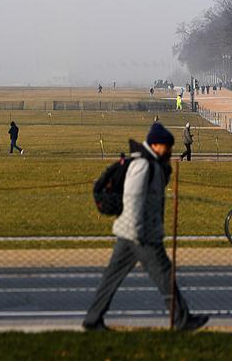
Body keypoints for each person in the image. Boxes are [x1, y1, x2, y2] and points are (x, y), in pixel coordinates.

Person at [83, 122, 209, 332]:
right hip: (141, 235)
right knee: (165, 276)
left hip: (130, 233)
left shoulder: (153, 164)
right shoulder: (143, 165)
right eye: (167, 146)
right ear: (157, 145)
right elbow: (134, 200)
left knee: (111, 278)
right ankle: (182, 320)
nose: (169, 150)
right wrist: (139, 233)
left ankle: (92, 319)